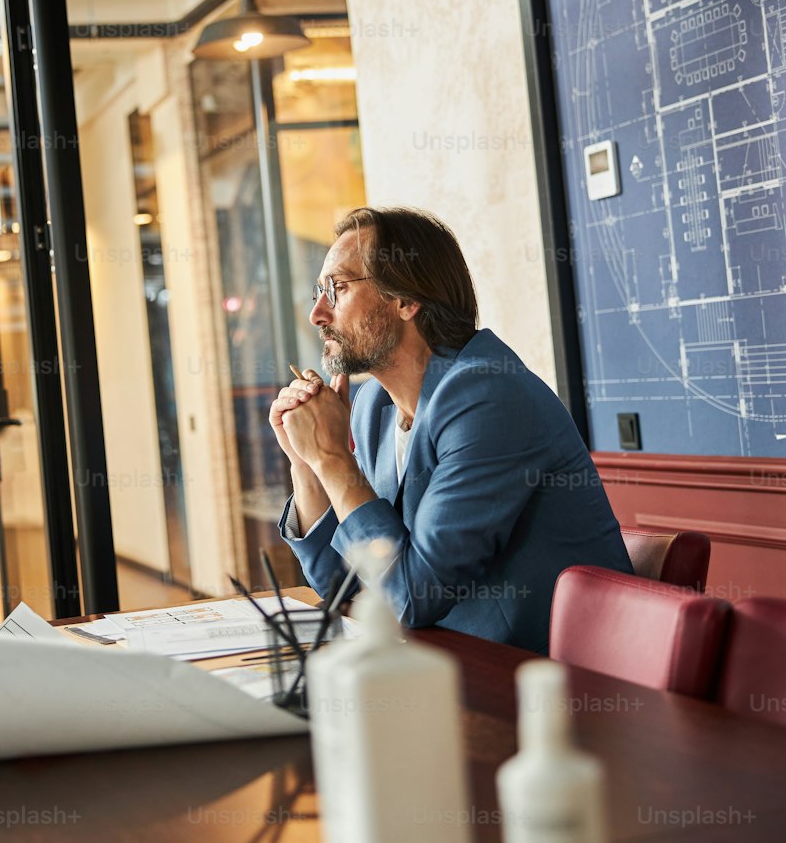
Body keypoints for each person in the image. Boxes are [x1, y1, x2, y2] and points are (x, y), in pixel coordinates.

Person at [270, 206, 632, 654]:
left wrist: (333, 458)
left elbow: (412, 596)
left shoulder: (488, 396)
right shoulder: (372, 406)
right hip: (444, 667)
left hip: (548, 682)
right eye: (318, 292)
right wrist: (307, 463)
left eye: (337, 289)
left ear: (406, 299)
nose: (318, 314)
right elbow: (341, 587)